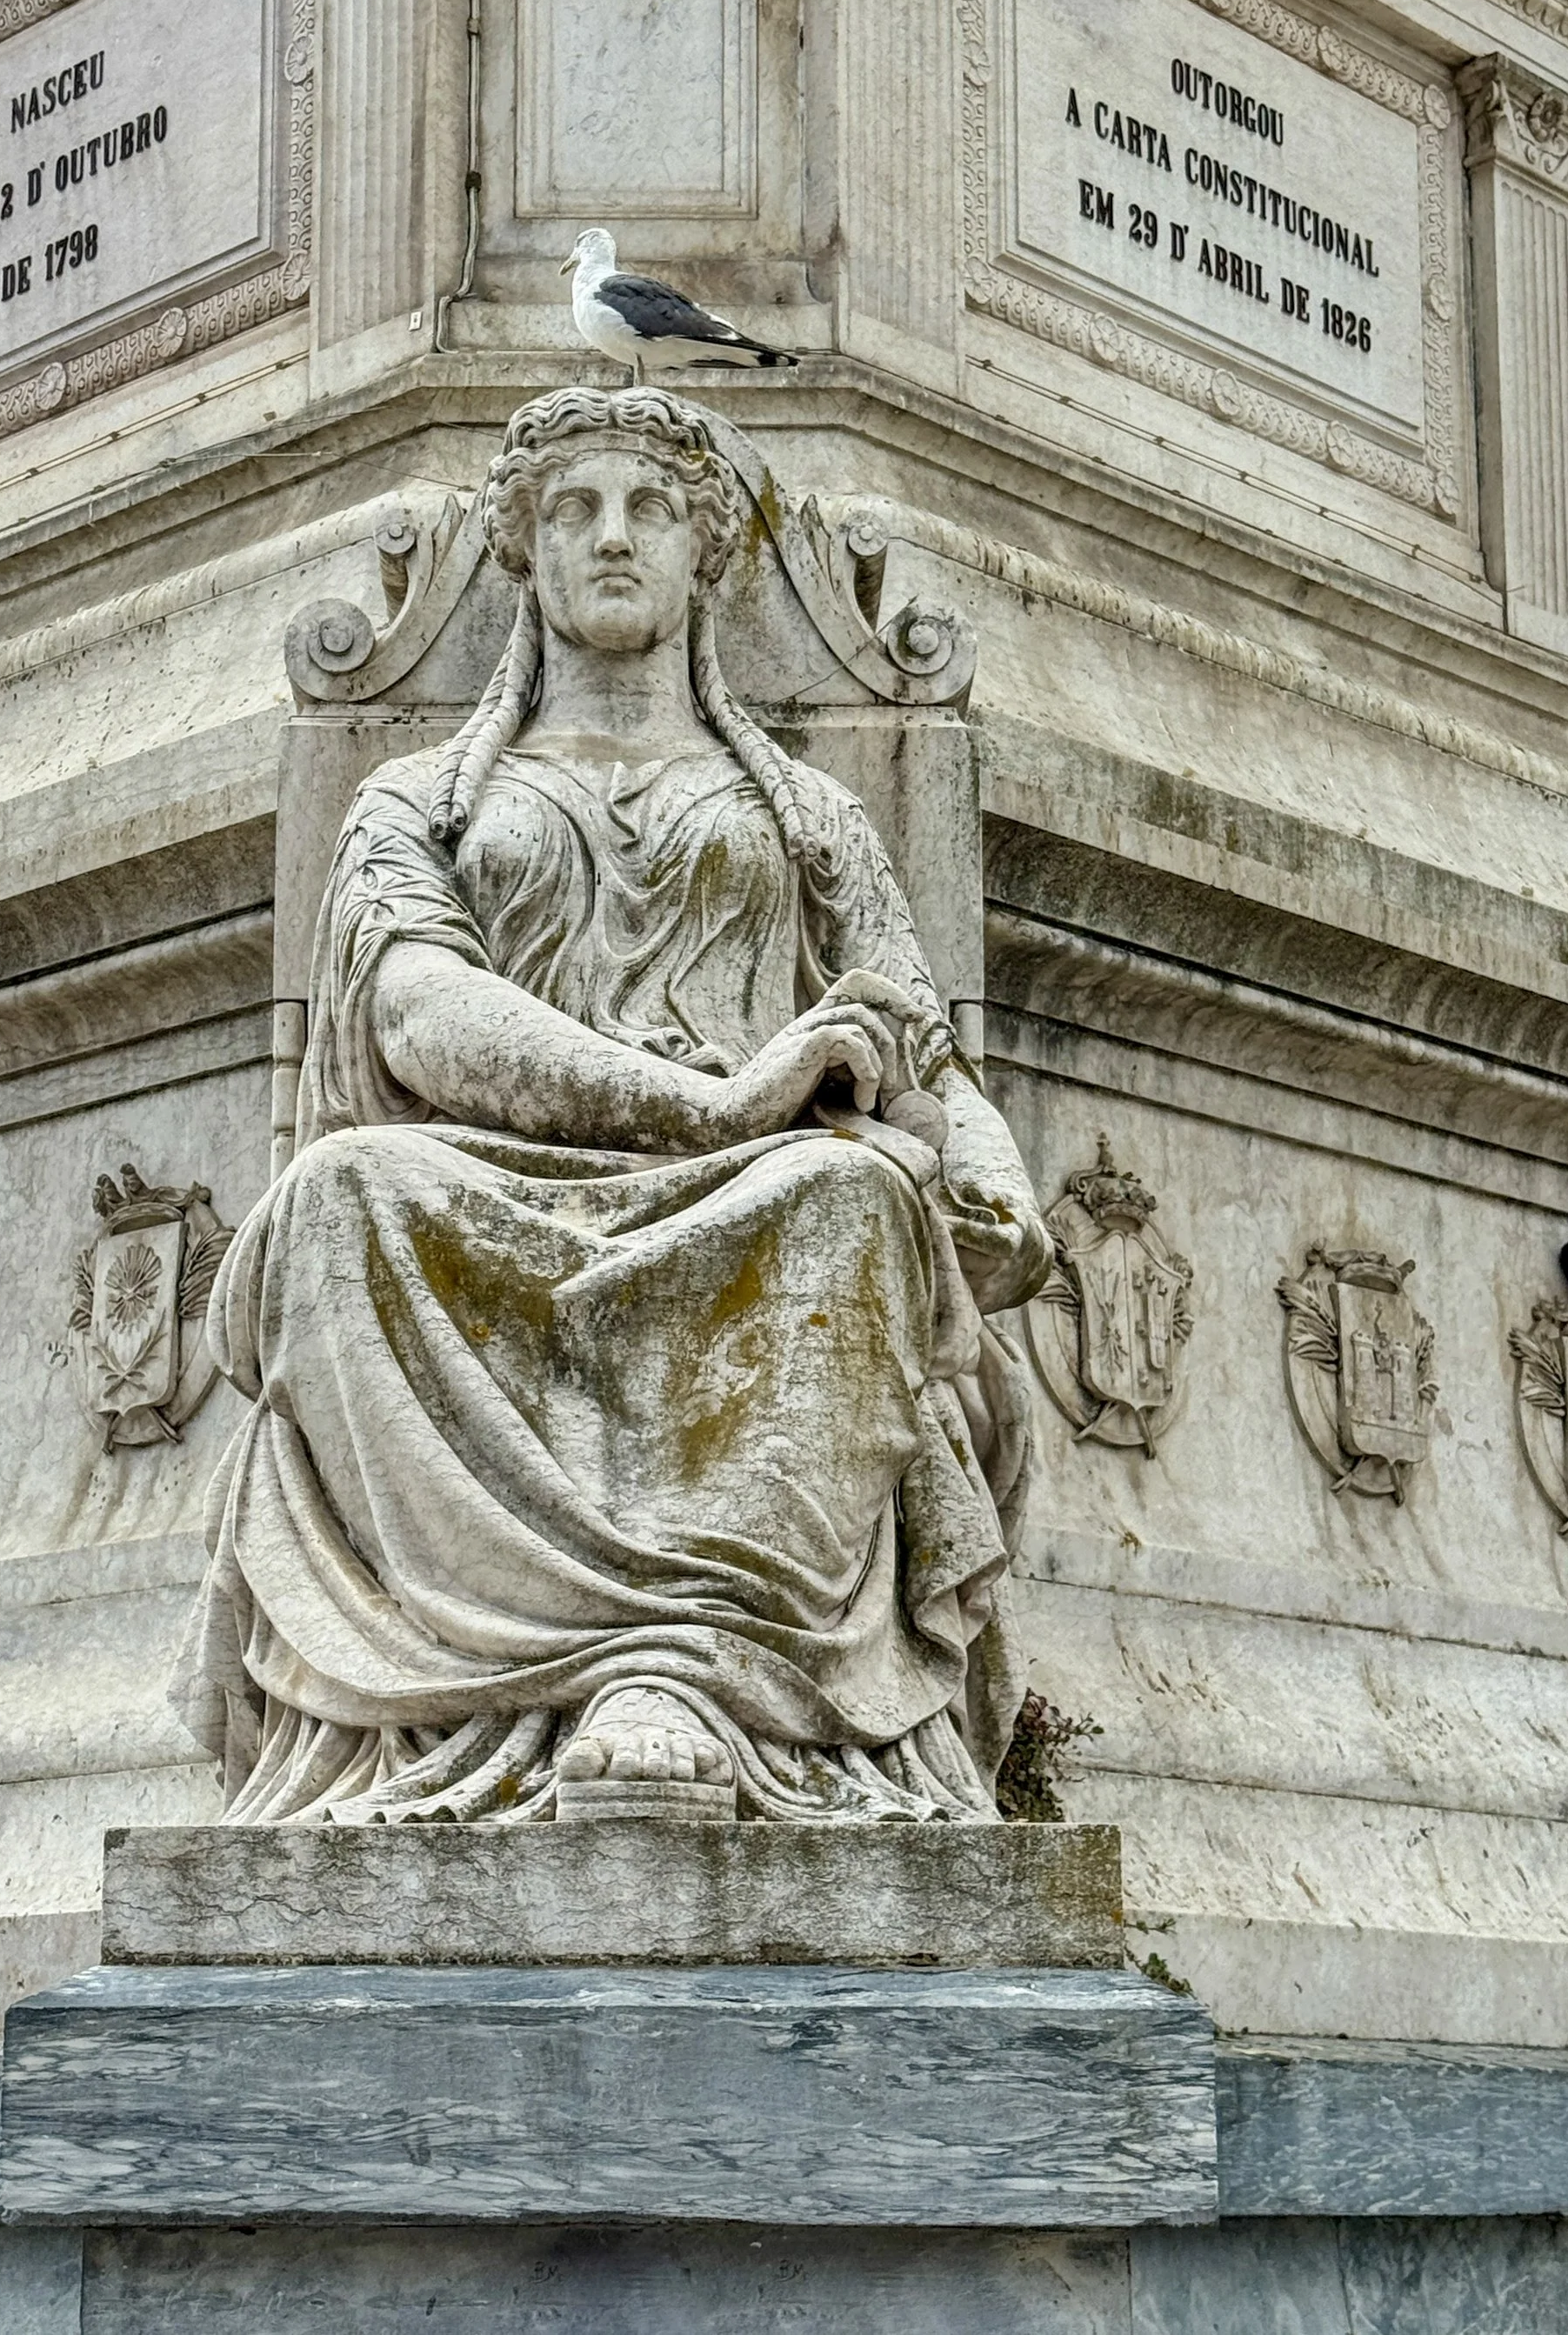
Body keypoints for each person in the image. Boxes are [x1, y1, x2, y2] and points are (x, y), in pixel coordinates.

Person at [175, 386, 1052, 1823]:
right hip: (494, 1174)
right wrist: (714, 1106)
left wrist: (989, 1186)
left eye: (649, 506)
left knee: (857, 1196)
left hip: (767, 1187)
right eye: (573, 507)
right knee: (341, 1194)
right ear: (522, 550)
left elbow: (921, 1054)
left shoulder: (808, 814)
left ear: (706, 551)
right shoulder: (419, 800)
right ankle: (563, 1665)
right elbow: (417, 1012)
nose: (614, 534)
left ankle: (684, 1665)